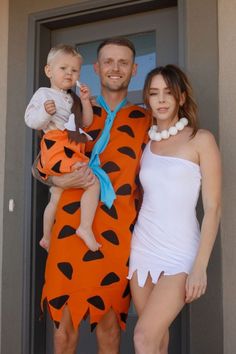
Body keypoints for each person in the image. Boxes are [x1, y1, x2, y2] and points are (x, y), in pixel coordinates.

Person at [33, 37, 151, 354]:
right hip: (70, 229)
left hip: (116, 236)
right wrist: (50, 176)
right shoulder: (72, 109)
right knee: (63, 332)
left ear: (134, 69)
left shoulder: (146, 120)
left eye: (123, 62)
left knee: (110, 333)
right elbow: (46, 157)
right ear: (97, 69)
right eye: (108, 61)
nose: (115, 68)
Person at [127, 65, 221, 354]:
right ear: (147, 100)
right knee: (156, 338)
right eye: (154, 93)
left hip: (180, 254)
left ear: (181, 97)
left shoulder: (201, 139)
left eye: (168, 92)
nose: (161, 99)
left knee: (142, 337)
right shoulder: (145, 142)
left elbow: (213, 207)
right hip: (142, 248)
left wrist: (200, 268)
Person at [25, 44, 101, 252]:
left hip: (68, 146)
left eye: (74, 70)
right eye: (63, 68)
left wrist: (85, 101)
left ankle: (46, 237)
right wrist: (45, 113)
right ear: (49, 71)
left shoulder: (72, 98)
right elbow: (31, 121)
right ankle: (85, 227)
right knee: (92, 184)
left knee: (57, 194)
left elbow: (85, 122)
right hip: (58, 146)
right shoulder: (43, 94)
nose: (69, 73)